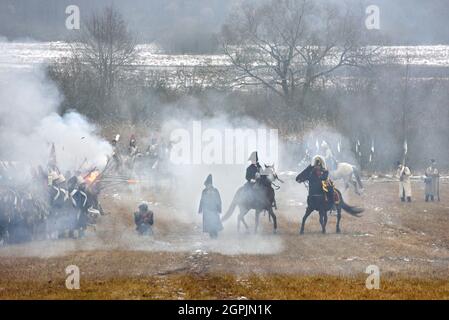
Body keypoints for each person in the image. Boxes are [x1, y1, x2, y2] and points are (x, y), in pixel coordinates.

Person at [198, 174, 223, 239]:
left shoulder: (215, 190)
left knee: (214, 225)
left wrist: (219, 208)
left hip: (214, 210)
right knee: (209, 226)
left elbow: (219, 200)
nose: (207, 186)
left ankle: (215, 237)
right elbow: (202, 200)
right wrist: (200, 209)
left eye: (207, 184)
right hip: (207, 211)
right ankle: (212, 237)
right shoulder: (204, 191)